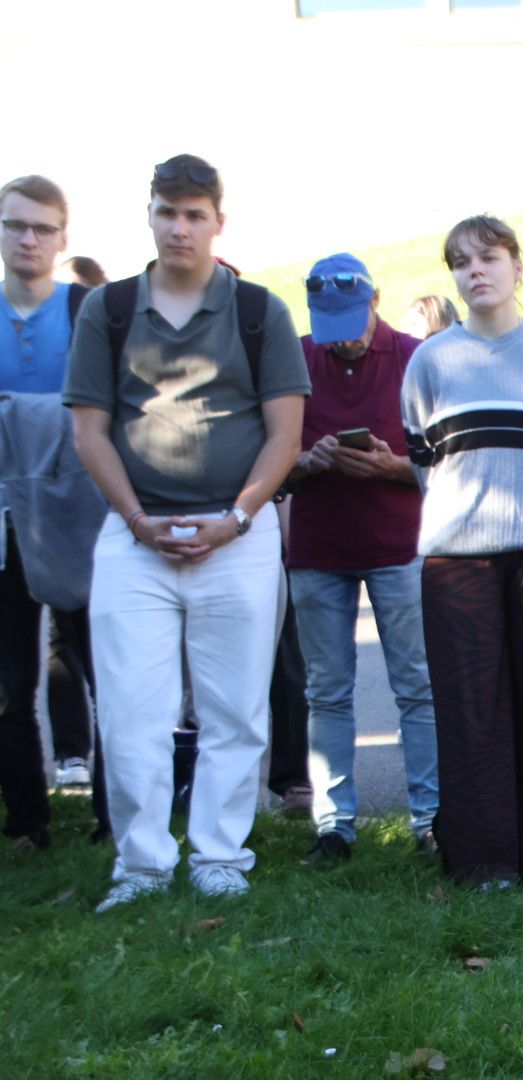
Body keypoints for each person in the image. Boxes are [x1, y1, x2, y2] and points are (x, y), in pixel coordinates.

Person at [64, 155, 310, 911]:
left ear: (217, 222)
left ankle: (219, 857)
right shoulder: (106, 310)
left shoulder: (258, 311)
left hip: (238, 533)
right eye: (167, 212)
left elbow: (285, 435)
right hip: (133, 537)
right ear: (149, 215)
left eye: (194, 214)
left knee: (234, 709)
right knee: (133, 710)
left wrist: (235, 519)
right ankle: (140, 867)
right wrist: (138, 521)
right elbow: (89, 433)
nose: (179, 227)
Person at [402, 215, 523, 889]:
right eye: (461, 263)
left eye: (488, 257)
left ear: (518, 266)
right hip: (459, 560)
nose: (475, 272)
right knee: (471, 709)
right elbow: (424, 460)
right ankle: (486, 861)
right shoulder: (430, 361)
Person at [286, 253, 439, 865]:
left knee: (418, 685)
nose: (343, 339)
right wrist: (308, 461)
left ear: (375, 300)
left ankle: (431, 818)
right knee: (326, 690)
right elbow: (273, 456)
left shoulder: (412, 355)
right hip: (318, 547)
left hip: (398, 545)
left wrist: (390, 466)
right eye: (330, 325)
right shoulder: (298, 356)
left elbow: (440, 459)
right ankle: (334, 828)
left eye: (352, 320)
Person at [0, 174, 105, 847]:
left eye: (42, 227)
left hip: (82, 519)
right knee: (9, 683)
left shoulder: (87, 312)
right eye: (16, 226)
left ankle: (115, 814)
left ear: (63, 236)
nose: (29, 239)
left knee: (108, 672)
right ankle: (27, 823)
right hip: (6, 525)